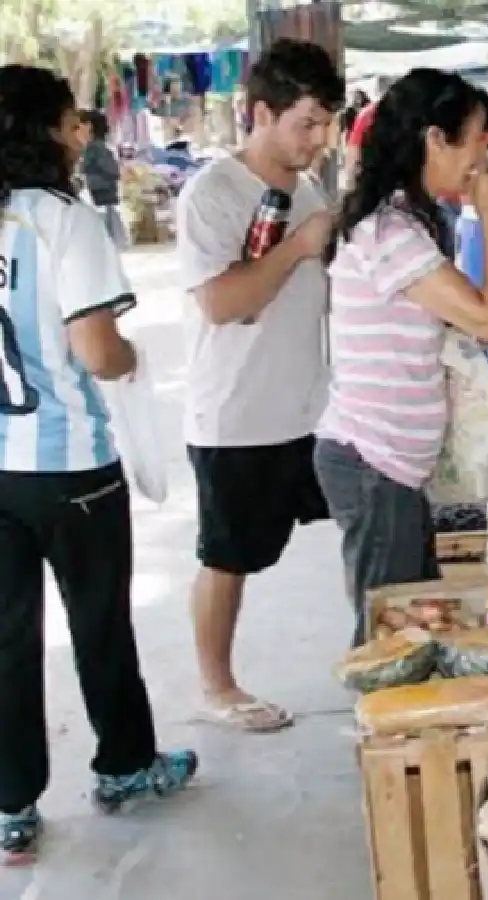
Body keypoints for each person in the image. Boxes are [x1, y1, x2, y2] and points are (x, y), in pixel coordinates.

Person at [0, 63, 198, 866]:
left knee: (7, 638)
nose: (82, 133)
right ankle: (123, 766)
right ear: (44, 132)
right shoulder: (63, 221)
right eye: (71, 121)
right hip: (71, 465)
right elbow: (97, 348)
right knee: (99, 624)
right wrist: (125, 361)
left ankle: (11, 804)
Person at [316, 70, 488, 645]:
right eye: (479, 137)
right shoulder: (389, 230)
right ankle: (385, 729)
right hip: (374, 463)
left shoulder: (408, 218)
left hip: (393, 467)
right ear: (436, 138)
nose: (485, 153)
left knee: (412, 628)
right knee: (389, 641)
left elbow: (479, 312)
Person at [174, 39, 343, 733]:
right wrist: (300, 246)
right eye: (306, 123)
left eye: (326, 123)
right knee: (227, 557)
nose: (319, 138)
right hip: (238, 414)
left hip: (311, 409)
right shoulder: (212, 194)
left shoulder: (306, 190)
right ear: (263, 113)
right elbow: (223, 305)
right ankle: (216, 687)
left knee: (361, 523)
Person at [78, 110, 128, 250]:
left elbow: (109, 168)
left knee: (106, 222)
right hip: (103, 190)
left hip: (101, 190)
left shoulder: (95, 148)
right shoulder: (97, 146)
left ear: (89, 127)